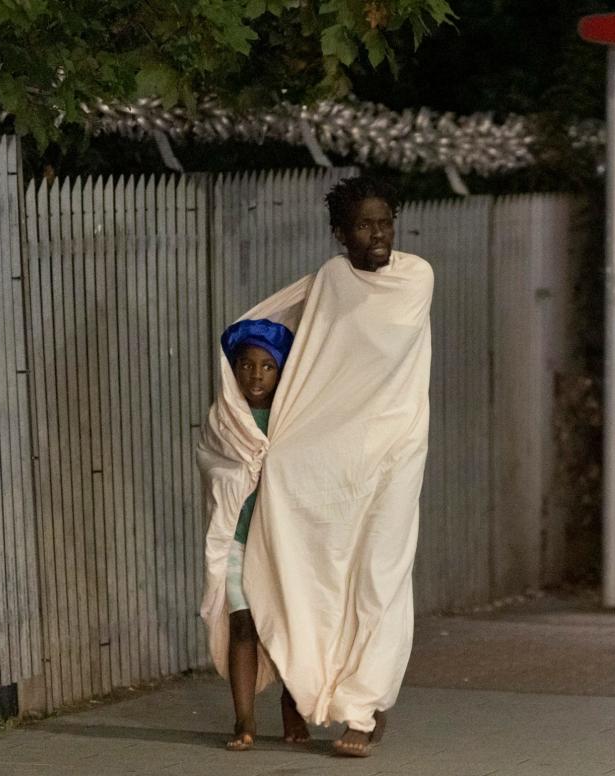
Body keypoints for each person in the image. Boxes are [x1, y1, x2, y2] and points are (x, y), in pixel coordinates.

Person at [198, 175, 434, 759]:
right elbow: (305, 349)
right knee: (327, 574)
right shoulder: (331, 280)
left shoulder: (417, 276)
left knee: (380, 578)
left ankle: (363, 707)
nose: (376, 234)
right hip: (332, 451)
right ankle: (325, 690)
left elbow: (381, 361)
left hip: (397, 448)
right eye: (362, 224)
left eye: (384, 222)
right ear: (340, 233)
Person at [216, 318, 306, 751]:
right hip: (236, 538)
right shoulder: (225, 418)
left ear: (282, 372)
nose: (255, 375)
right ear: (233, 369)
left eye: (267, 367)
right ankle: (244, 720)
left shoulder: (293, 420)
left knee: (290, 627)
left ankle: (294, 707)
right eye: (246, 365)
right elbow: (215, 469)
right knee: (243, 626)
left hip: (282, 543)